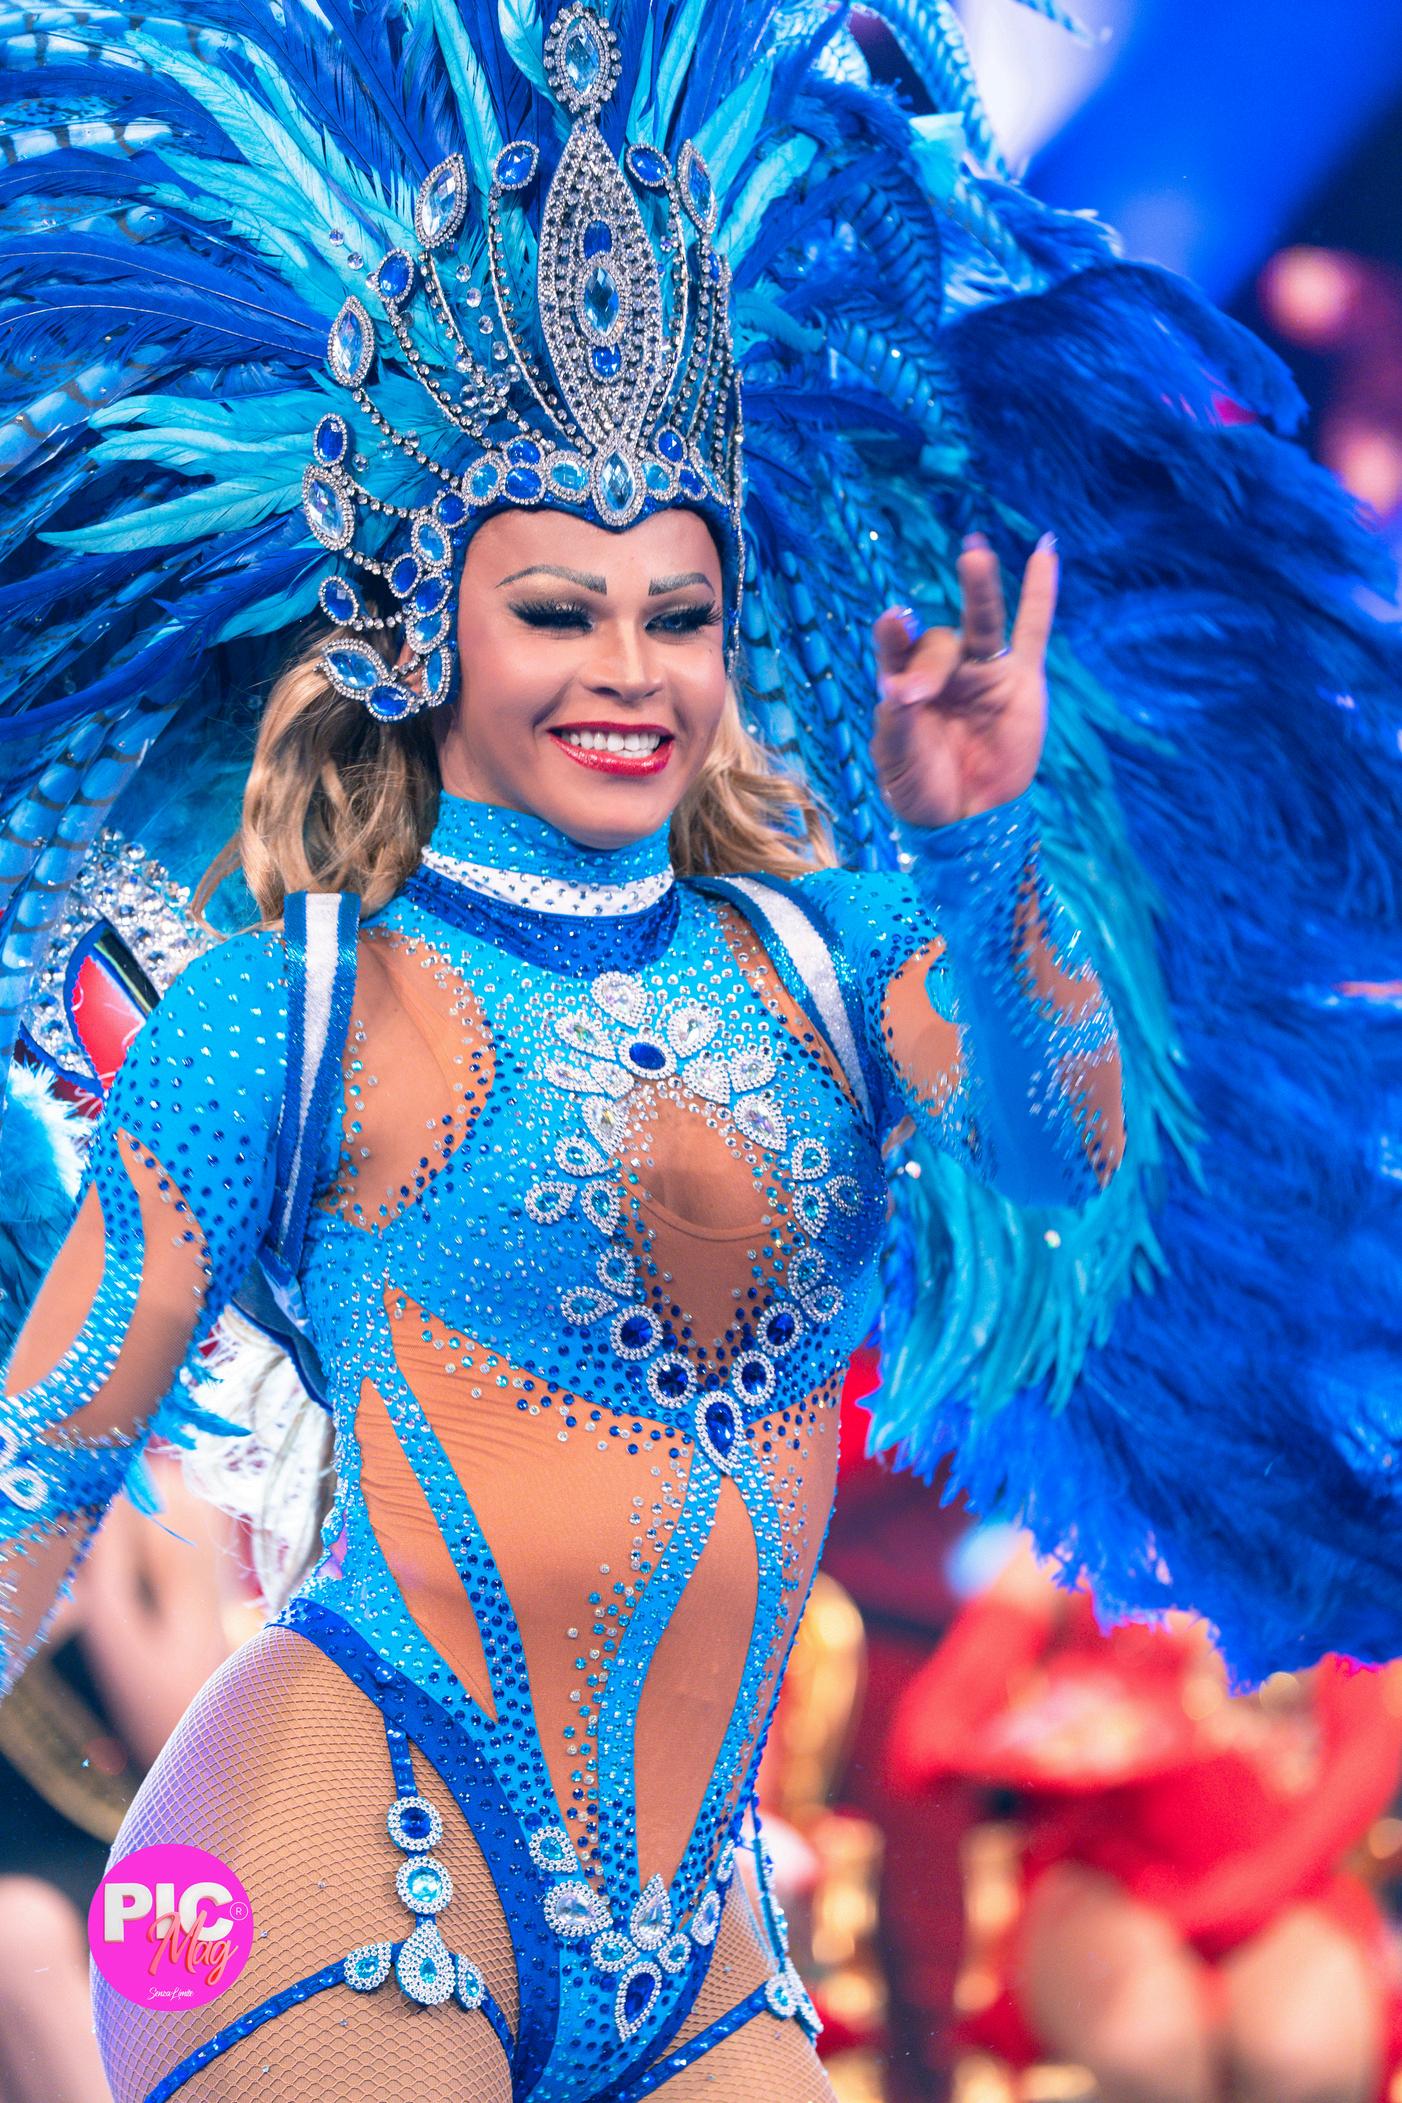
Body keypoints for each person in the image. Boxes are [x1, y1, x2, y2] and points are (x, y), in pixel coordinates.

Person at [0, 3, 1400, 2099]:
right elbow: (46, 1454)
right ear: (424, 629)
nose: (629, 669)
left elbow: (1059, 1151)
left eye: (677, 610)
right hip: (335, 1864)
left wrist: (983, 852)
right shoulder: (283, 1007)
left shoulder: (831, 966)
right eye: (558, 611)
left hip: (692, 1944)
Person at [889, 1541, 1402, 2103]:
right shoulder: (1066, 1546)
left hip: (1284, 1888)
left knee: (1304, 2059)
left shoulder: (1327, 1545)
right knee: (1150, 2049)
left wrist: (1254, 1888)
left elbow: (1365, 1755)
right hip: (1103, 1878)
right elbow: (929, 1733)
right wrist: (1040, 1747)